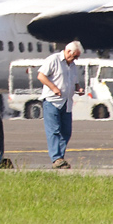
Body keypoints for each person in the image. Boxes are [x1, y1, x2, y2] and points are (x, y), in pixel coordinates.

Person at [37, 40, 83, 169]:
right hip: (52, 101)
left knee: (66, 131)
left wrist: (78, 89)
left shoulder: (72, 65)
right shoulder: (53, 59)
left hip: (67, 102)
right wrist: (53, 88)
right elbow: (41, 76)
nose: (75, 59)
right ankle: (56, 158)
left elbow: (75, 81)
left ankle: (60, 157)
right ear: (68, 51)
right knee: (54, 131)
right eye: (74, 56)